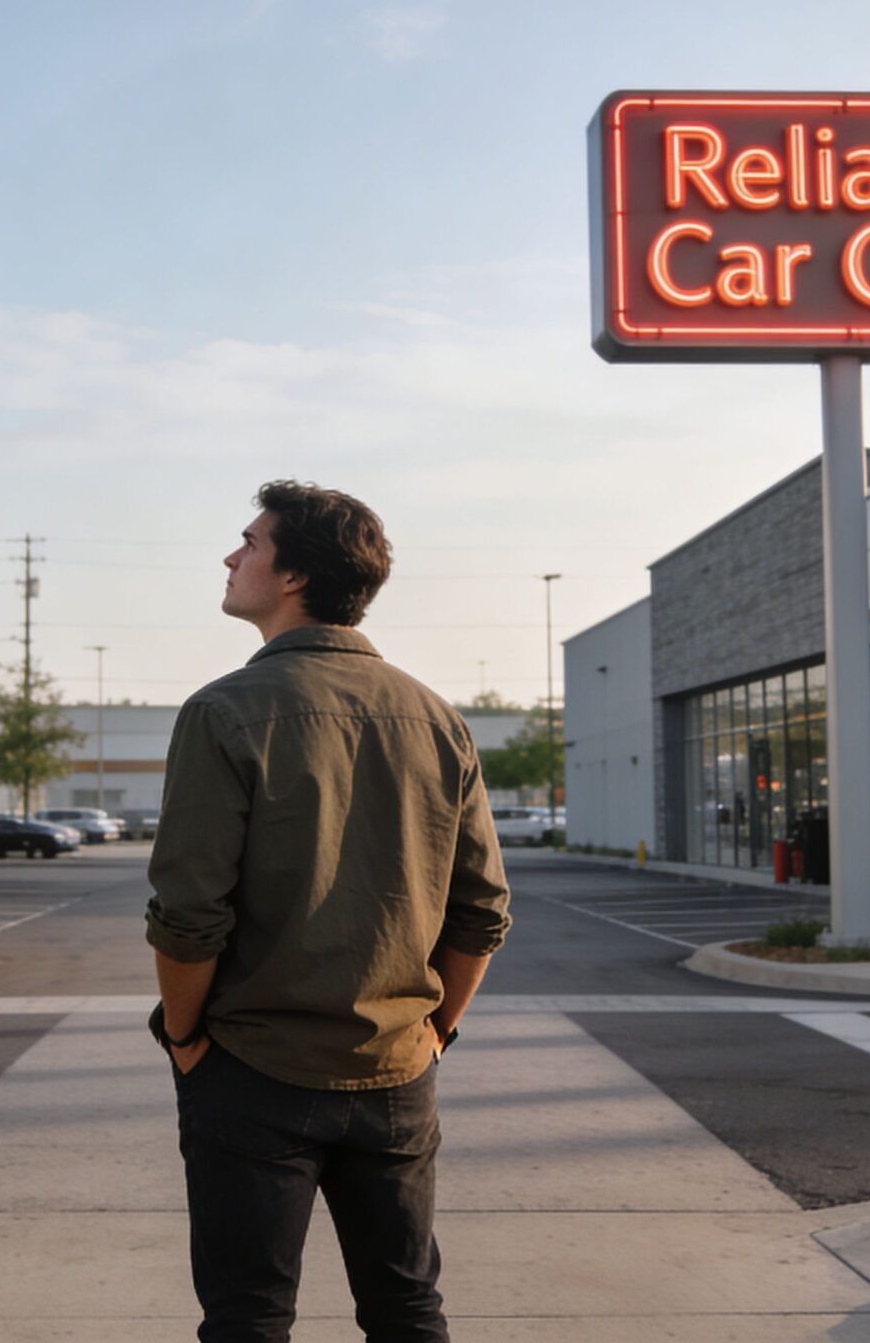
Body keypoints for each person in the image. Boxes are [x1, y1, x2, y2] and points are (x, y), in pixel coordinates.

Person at [145, 480, 511, 1343]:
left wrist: (187, 1037)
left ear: (296, 574)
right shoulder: (436, 717)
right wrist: (435, 1032)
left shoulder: (224, 710)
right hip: (398, 1068)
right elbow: (483, 909)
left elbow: (189, 911)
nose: (233, 557)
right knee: (408, 1309)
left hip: (251, 1067)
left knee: (248, 1316)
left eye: (250, 543)